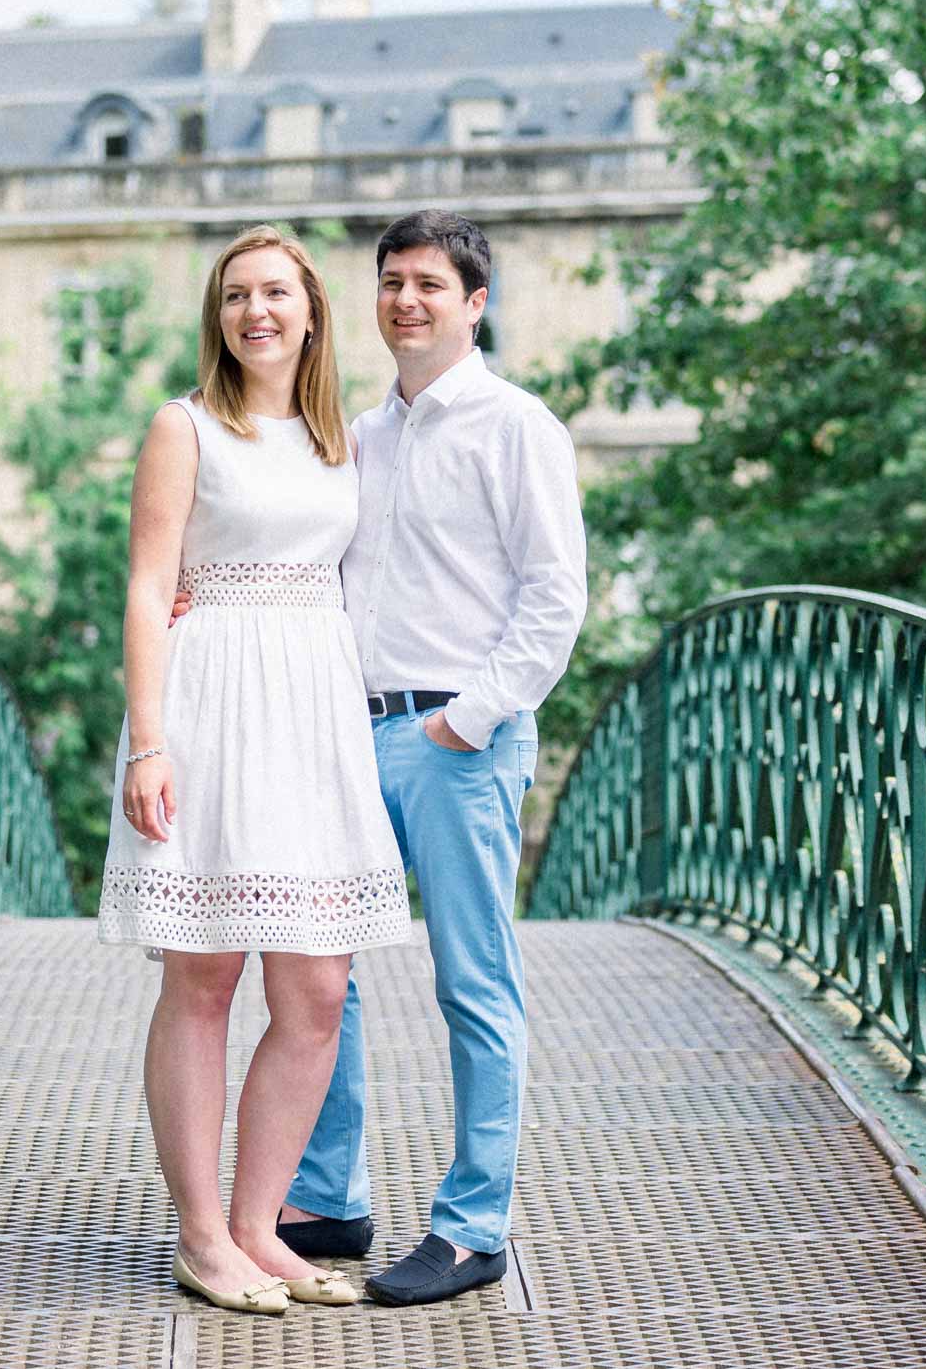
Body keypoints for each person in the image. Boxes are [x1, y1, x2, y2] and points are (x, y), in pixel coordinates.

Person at [97, 223, 412, 1318]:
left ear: (312, 309)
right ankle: (199, 1234)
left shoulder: (345, 438)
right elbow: (147, 586)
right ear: (217, 316)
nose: (255, 311)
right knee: (204, 976)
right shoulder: (182, 426)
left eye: (275, 291)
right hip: (211, 704)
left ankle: (256, 1224)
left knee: (317, 987)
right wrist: (148, 737)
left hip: (313, 716)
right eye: (236, 295)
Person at [274, 209, 588, 1306]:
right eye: (392, 281)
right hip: (346, 735)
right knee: (323, 975)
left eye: (429, 285)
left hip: (456, 741)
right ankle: (327, 1196)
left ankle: (472, 1225)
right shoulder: (361, 433)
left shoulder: (516, 427)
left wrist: (472, 715)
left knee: (472, 979)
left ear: (474, 302)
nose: (406, 300)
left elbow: (555, 599)